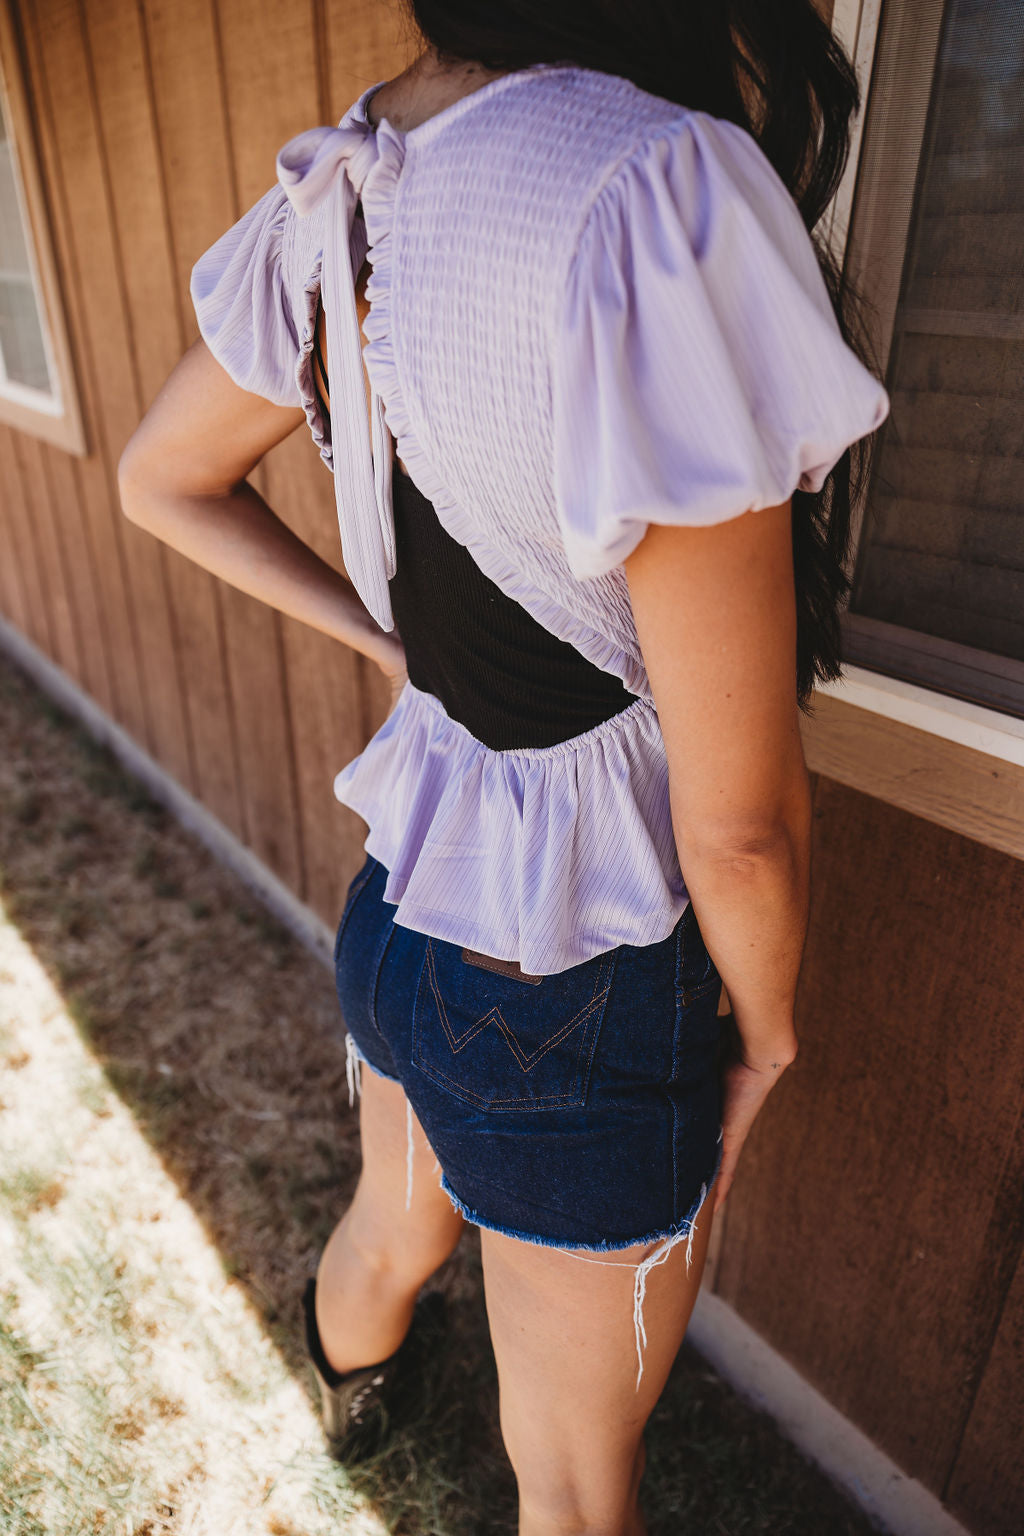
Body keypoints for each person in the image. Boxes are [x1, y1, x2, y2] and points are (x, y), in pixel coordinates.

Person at [118, 3, 889, 1530]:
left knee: (391, 1231)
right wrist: (772, 1033)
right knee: (576, 1480)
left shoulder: (348, 175)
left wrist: (396, 645)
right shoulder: (646, 188)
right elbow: (736, 830)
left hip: (411, 891)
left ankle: (354, 1408)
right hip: (586, 961)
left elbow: (160, 477)